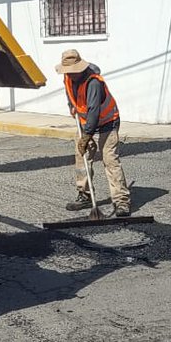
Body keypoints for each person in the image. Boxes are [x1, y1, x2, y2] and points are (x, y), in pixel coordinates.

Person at [57, 49, 130, 217]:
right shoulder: (68, 77)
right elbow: (70, 94)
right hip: (85, 123)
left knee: (110, 160)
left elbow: (94, 111)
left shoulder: (93, 83)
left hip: (107, 122)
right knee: (81, 158)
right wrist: (71, 105)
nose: (70, 75)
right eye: (68, 72)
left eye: (73, 71)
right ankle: (85, 195)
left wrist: (86, 136)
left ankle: (121, 201)